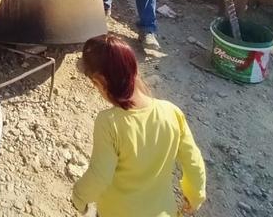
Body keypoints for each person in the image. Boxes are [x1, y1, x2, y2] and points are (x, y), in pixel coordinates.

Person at [72, 34, 206, 217]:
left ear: (100, 82)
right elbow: (193, 161)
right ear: (134, 69)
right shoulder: (171, 112)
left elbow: (100, 175)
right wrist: (195, 195)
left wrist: (79, 197)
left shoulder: (109, 123)